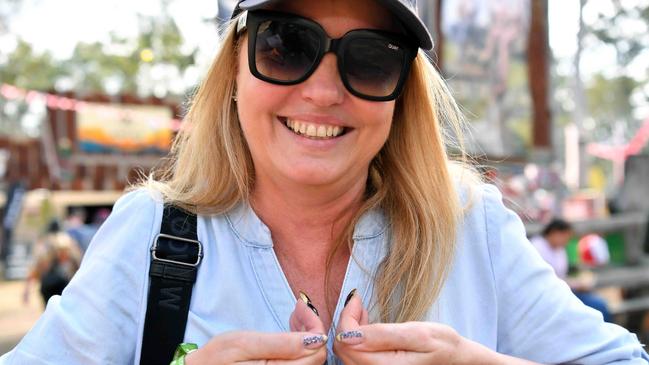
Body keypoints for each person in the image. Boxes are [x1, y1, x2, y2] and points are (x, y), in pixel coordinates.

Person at [2, 0, 648, 364]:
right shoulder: (153, 232)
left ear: (402, 93)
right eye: (286, 45)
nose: (321, 90)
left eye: (369, 60)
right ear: (234, 70)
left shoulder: (469, 222)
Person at [531, 219, 613, 322]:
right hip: (548, 296)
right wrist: (576, 284)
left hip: (562, 291)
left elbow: (560, 275)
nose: (567, 241)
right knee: (597, 306)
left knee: (599, 304)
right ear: (555, 233)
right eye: (565, 236)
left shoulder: (558, 249)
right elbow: (547, 280)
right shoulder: (537, 247)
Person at [22, 220, 81, 307]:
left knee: (49, 312)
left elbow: (37, 265)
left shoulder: (45, 242)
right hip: (64, 281)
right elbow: (77, 262)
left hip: (47, 283)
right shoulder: (67, 240)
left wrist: (27, 290)